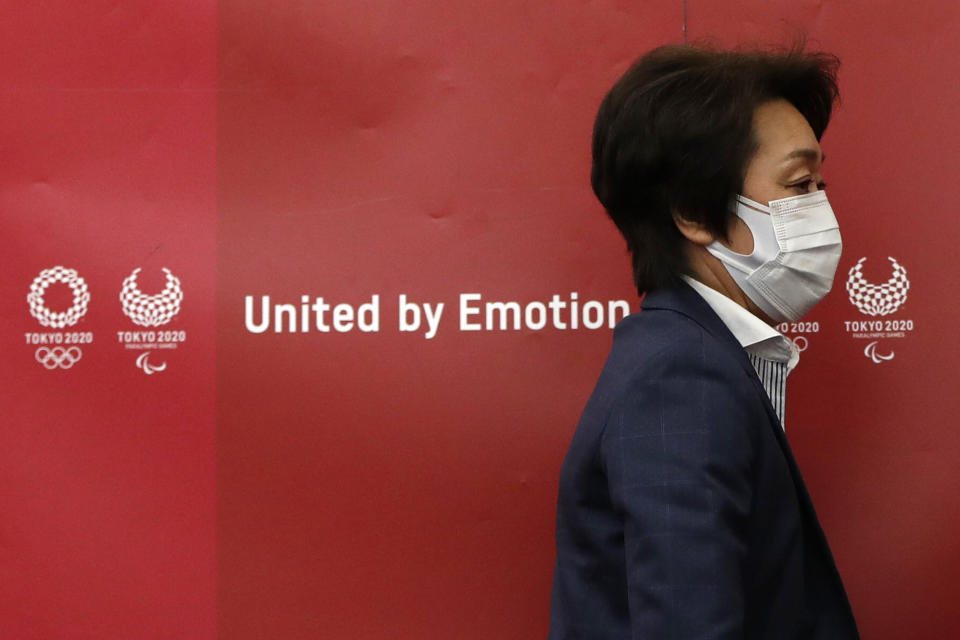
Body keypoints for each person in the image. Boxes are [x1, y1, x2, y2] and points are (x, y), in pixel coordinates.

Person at [548, 44, 860, 639]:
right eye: (798, 184)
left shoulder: (696, 357)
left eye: (820, 182)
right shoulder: (681, 379)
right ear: (695, 212)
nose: (820, 207)